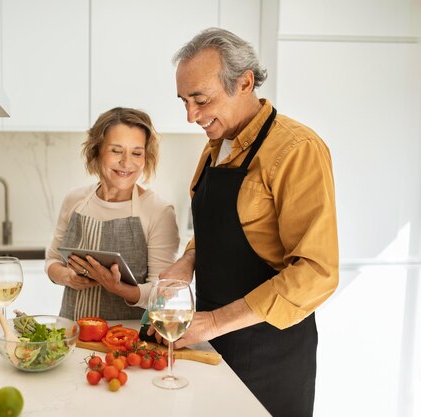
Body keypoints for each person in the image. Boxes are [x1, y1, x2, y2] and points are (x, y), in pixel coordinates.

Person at [157, 28, 339, 417]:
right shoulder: (212, 150)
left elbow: (317, 272)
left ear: (244, 82)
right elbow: (218, 232)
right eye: (184, 101)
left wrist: (214, 322)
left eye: (200, 100)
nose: (191, 116)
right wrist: (186, 262)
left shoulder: (296, 150)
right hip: (209, 343)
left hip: (270, 355)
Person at [45, 107, 180, 321]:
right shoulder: (75, 200)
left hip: (127, 342)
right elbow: (52, 261)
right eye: (116, 151)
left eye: (137, 153)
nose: (127, 162)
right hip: (71, 333)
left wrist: (117, 288)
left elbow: (160, 293)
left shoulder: (158, 211)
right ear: (96, 150)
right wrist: (68, 277)